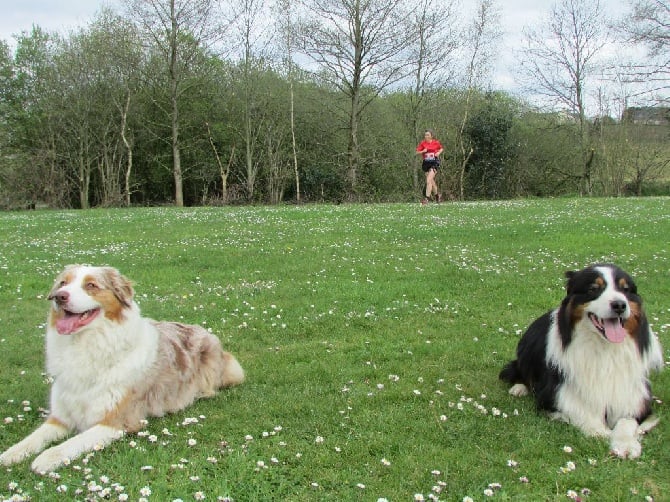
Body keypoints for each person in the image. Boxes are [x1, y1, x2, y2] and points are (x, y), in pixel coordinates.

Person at [415, 130, 443, 204]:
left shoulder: (435, 142)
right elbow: (417, 152)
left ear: (431, 136)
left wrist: (438, 153)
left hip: (434, 162)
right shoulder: (423, 143)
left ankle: (426, 199)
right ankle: (437, 196)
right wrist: (423, 151)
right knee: (431, 181)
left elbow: (441, 148)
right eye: (425, 135)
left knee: (428, 180)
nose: (426, 136)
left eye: (428, 135)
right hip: (426, 164)